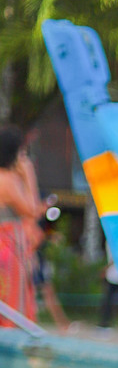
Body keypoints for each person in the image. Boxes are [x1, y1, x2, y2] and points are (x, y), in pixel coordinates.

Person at [0, 126, 40, 328]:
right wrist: (28, 176)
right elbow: (31, 210)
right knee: (12, 303)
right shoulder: (6, 180)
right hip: (8, 247)